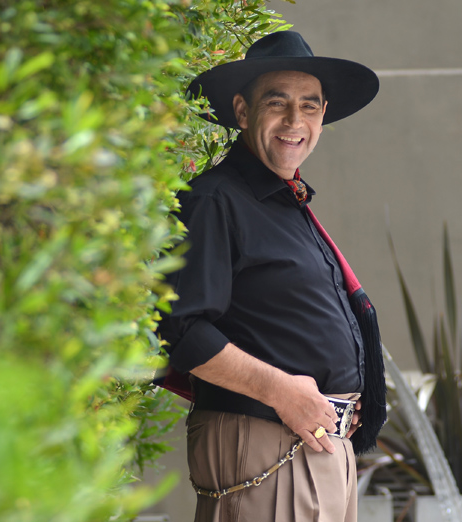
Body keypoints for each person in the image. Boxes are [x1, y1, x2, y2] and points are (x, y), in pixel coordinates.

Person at [157, 31, 387, 521]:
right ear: (243, 112)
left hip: (319, 447)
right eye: (277, 103)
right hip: (268, 442)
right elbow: (181, 329)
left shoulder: (287, 202)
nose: (294, 121)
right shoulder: (215, 199)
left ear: (323, 115)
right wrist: (282, 393)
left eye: (309, 106)